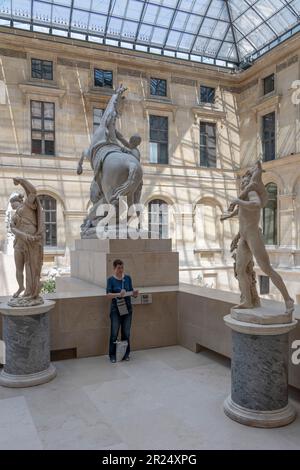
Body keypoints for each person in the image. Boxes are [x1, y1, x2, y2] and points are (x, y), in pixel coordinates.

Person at [221, 161, 294, 314]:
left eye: (246, 181)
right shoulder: (244, 196)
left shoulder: (252, 193)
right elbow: (241, 212)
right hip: (244, 238)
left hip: (254, 236)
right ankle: (248, 301)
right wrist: (229, 216)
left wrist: (237, 201)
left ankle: (288, 299)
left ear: (251, 182)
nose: (243, 183)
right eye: (242, 181)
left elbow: (255, 205)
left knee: (266, 268)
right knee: (240, 270)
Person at [106, 259, 139, 363]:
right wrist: (118, 294)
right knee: (114, 333)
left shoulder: (127, 278)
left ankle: (126, 354)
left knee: (126, 333)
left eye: (122, 268)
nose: (120, 270)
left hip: (127, 309)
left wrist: (134, 293)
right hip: (116, 310)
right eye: (118, 268)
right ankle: (112, 355)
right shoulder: (111, 280)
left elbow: (131, 291)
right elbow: (108, 295)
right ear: (114, 268)